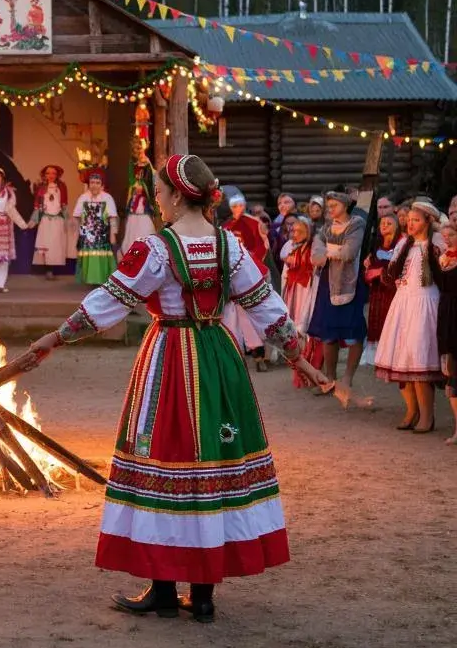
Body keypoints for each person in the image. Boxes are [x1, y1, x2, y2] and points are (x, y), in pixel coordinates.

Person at [27, 154, 328, 623]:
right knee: (211, 464)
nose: (158, 201)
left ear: (173, 196)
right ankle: (203, 594)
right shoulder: (228, 245)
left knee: (165, 462)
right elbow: (266, 306)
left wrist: (56, 337)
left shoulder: (158, 249)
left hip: (169, 357)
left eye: (160, 193)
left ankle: (165, 587)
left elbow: (110, 299)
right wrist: (298, 358)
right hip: (220, 360)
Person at [375, 200, 445, 432]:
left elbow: (445, 272)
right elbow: (390, 276)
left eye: (416, 220)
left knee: (418, 359)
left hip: (425, 303)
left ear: (428, 221)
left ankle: (427, 415)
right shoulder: (405, 244)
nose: (410, 224)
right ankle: (411, 410)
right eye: (409, 220)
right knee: (401, 358)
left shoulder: (435, 243)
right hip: (403, 303)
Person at [307, 191, 368, 398]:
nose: (330, 208)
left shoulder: (356, 224)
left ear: (345, 205)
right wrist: (331, 252)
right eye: (328, 205)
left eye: (334, 205)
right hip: (328, 282)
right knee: (328, 332)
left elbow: (349, 253)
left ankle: (347, 378)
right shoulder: (326, 228)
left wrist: (328, 252)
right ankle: (330, 379)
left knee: (354, 330)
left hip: (350, 281)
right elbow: (315, 253)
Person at [221, 194, 271, 371]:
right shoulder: (225, 226)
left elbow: (262, 245)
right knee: (230, 317)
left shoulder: (253, 223)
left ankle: (259, 355)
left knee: (249, 316)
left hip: (249, 271)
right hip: (230, 275)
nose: (237, 209)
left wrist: (249, 261)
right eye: (234, 206)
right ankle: (234, 355)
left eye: (240, 205)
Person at [279, 216, 321, 389]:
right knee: (294, 331)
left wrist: (294, 261)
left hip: (308, 291)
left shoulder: (314, 247)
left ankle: (314, 372)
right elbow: (284, 259)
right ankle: (300, 374)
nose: (294, 234)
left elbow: (312, 264)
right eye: (293, 231)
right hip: (293, 291)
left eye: (298, 231)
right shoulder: (291, 247)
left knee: (307, 330)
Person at [363, 213, 401, 364]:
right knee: (375, 319)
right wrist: (369, 271)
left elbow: (398, 268)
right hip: (377, 290)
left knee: (389, 319)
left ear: (397, 226)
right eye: (382, 223)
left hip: (391, 290)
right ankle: (377, 355)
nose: (384, 225)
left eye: (389, 223)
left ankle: (392, 354)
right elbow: (369, 266)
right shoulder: (376, 245)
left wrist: (380, 272)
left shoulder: (400, 245)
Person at [431, 221, 457, 444]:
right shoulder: (442, 260)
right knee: (452, 371)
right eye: (444, 235)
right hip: (447, 313)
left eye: (450, 234)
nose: (446, 238)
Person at [72, 168, 118, 284]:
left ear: (102, 185)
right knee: (89, 257)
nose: (94, 185)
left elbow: (112, 217)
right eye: (92, 183)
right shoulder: (83, 197)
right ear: (89, 184)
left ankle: (102, 280)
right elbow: (76, 216)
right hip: (87, 234)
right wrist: (78, 233)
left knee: (102, 257)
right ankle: (90, 280)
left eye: (97, 183)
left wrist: (113, 235)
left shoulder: (107, 198)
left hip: (103, 233)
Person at [29, 165, 68, 280]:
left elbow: (64, 204)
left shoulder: (61, 187)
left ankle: (52, 270)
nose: (50, 176)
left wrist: (66, 220)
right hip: (45, 220)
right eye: (48, 173)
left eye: (53, 173)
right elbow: (37, 206)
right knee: (45, 245)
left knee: (55, 245)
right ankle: (48, 270)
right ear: (44, 175)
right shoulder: (40, 188)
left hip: (57, 220)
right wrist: (33, 220)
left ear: (57, 175)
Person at [121, 139, 156, 257]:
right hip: (135, 197)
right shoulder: (133, 163)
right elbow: (131, 178)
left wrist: (143, 186)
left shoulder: (147, 164)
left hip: (144, 200)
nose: (139, 152)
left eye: (140, 149)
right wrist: (134, 185)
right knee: (132, 222)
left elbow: (150, 180)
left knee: (145, 222)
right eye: (136, 149)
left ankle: (146, 249)